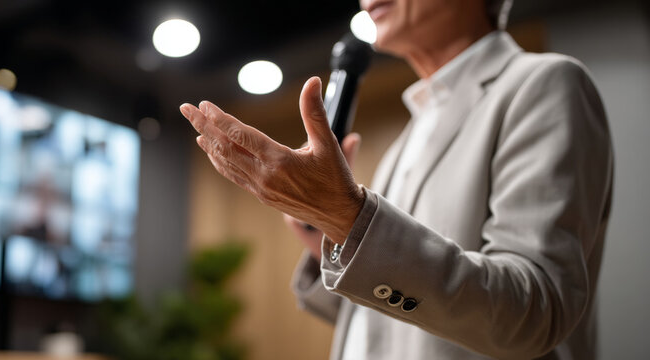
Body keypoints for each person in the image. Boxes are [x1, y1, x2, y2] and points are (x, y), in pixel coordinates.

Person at [178, 0, 613, 358]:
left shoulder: (544, 84)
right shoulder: (409, 135)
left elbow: (533, 314)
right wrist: (336, 239)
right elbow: (410, 319)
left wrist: (349, 219)